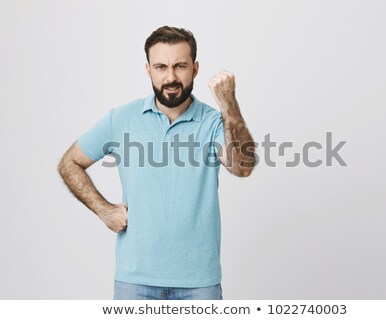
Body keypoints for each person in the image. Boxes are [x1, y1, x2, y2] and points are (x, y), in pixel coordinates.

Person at [58, 26, 256, 300]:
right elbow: (70, 163)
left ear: (195, 69)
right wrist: (104, 210)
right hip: (135, 283)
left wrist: (229, 103)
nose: (171, 77)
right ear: (148, 70)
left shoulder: (213, 122)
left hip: (199, 283)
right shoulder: (121, 119)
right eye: (161, 67)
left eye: (180, 66)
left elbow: (242, 165)